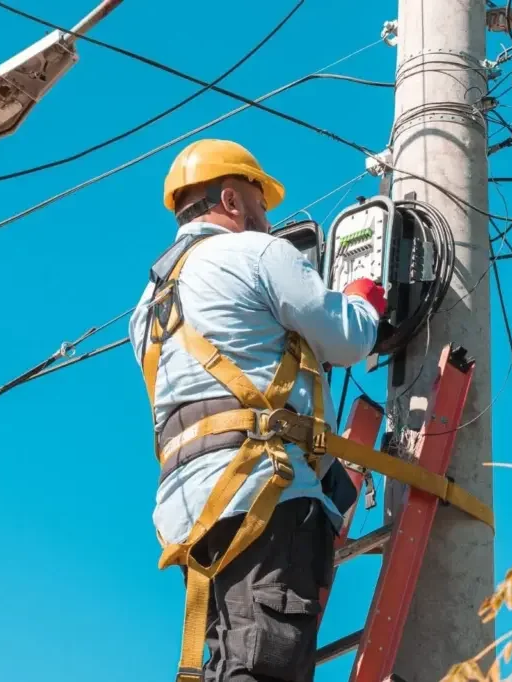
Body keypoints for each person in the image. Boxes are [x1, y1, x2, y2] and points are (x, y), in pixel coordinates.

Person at [127, 138, 385, 682]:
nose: (268, 221)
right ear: (232, 200)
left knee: (231, 662)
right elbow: (349, 339)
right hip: (264, 489)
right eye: (261, 207)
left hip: (189, 513)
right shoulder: (256, 253)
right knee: (264, 664)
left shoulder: (146, 309)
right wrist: (364, 297)